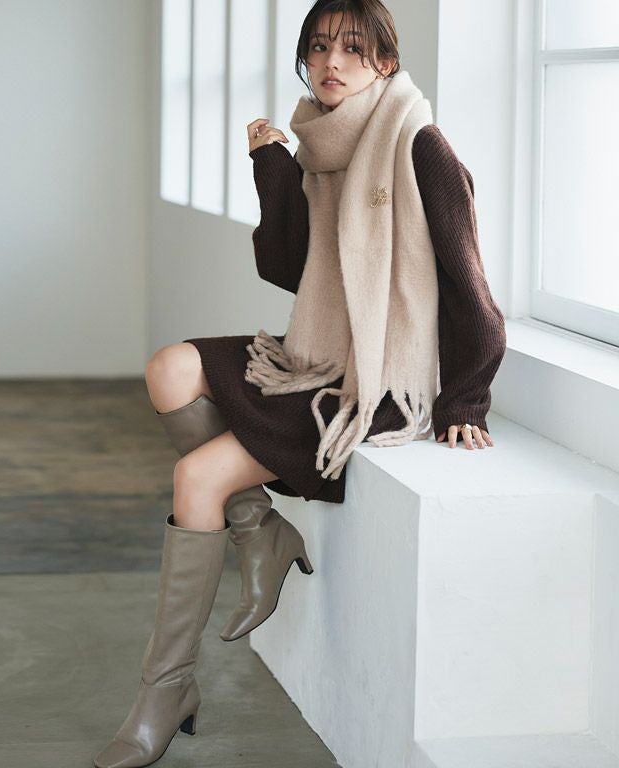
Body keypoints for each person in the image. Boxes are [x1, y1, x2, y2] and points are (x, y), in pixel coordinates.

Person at [94, 1, 507, 765]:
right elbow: (289, 268)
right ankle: (260, 531)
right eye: (318, 47)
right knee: (168, 370)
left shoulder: (418, 142)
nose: (332, 62)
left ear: (385, 61)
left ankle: (165, 690)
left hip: (376, 382)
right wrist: (273, 168)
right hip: (317, 355)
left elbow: (469, 283)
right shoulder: (321, 142)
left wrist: (466, 398)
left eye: (353, 48)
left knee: (196, 478)